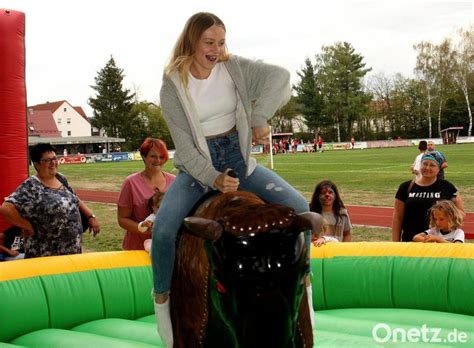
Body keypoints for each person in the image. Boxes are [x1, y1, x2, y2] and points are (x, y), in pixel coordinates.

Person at [152, 12, 314, 347]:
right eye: (208, 42)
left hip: (238, 159)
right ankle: (162, 302)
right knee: (164, 230)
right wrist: (212, 177)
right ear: (191, 42)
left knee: (299, 208)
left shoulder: (234, 66)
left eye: (221, 42)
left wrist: (259, 115)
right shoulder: (173, 84)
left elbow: (280, 78)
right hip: (198, 167)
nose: (216, 49)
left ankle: (304, 288)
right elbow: (184, 145)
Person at [0, 143, 100, 258]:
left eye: (54, 158)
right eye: (47, 160)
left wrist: (90, 216)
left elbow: (74, 197)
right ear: (36, 164)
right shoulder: (31, 186)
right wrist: (27, 226)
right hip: (45, 254)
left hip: (71, 251)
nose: (53, 163)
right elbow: (6, 209)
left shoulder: (60, 178)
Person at [391, 152, 464, 242]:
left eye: (432, 165)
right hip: (410, 242)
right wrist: (396, 243)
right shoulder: (406, 187)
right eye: (424, 164)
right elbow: (397, 218)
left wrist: (449, 221)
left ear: (439, 169)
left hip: (437, 245)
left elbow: (460, 213)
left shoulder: (447, 187)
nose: (427, 168)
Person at [117, 138, 175, 250]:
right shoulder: (131, 182)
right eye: (153, 156)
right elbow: (122, 219)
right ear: (144, 156)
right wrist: (144, 229)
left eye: (162, 157)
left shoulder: (174, 181)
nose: (158, 160)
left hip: (167, 249)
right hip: (137, 249)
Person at [309, 180, 352, 246]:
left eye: (330, 192)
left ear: (335, 195)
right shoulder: (311, 214)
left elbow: (347, 234)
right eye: (323, 193)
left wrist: (343, 249)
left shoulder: (342, 213)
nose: (327, 195)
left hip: (335, 252)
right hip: (317, 252)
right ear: (317, 196)